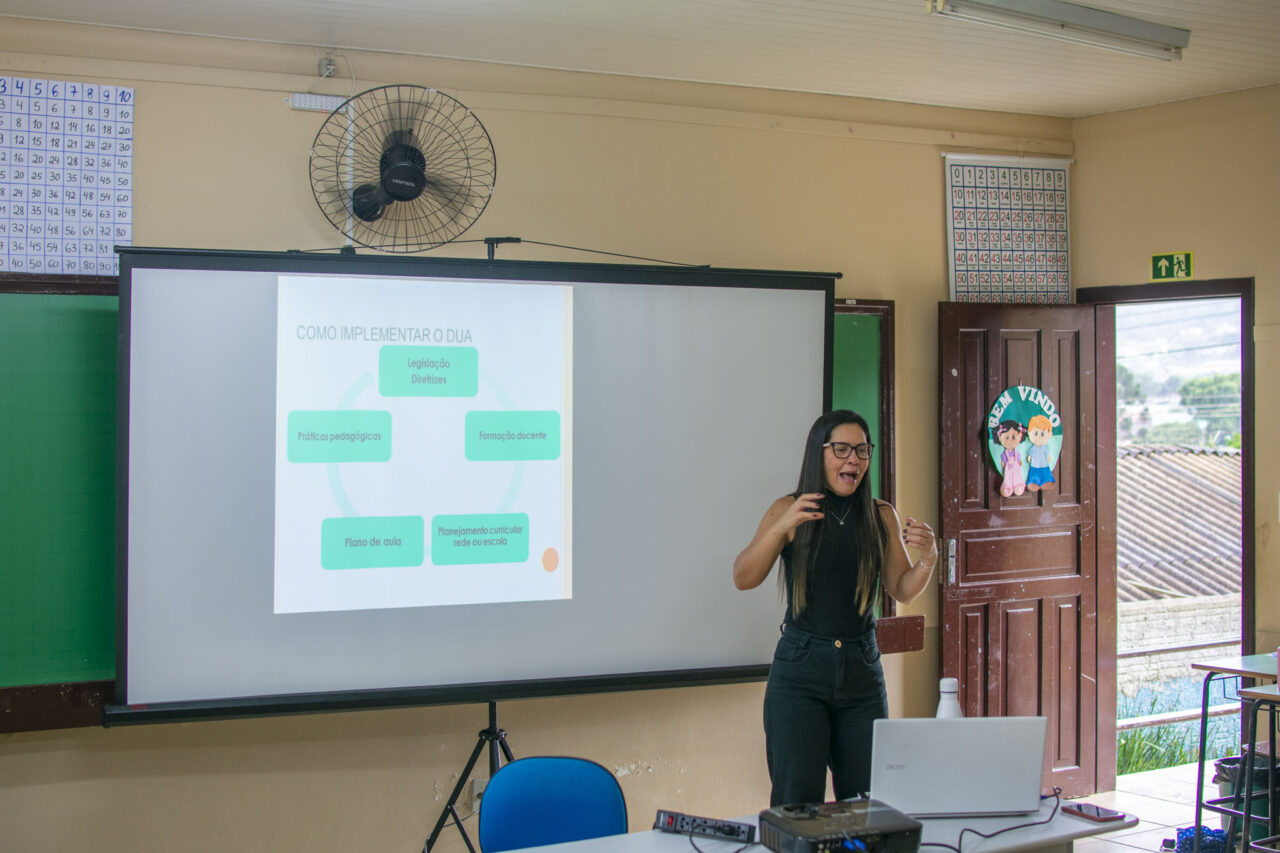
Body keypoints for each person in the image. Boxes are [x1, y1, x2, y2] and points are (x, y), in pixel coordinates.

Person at [733, 409, 938, 806]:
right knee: (798, 804)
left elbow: (902, 588)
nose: (853, 460)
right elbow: (744, 577)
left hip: (862, 671)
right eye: (841, 449)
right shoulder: (788, 509)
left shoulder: (881, 515)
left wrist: (929, 557)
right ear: (818, 453)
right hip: (800, 671)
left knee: (868, 803)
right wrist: (780, 528)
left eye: (862, 450)